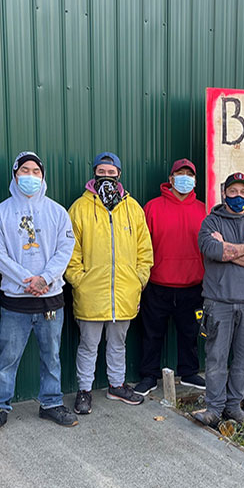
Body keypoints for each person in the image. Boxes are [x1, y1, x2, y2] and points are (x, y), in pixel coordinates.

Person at [0, 151, 78, 437]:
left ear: (43, 176)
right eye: (25, 170)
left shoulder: (57, 212)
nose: (31, 176)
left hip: (51, 299)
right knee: (7, 357)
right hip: (16, 301)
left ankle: (51, 403)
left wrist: (46, 279)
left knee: (52, 355)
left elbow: (65, 250)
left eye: (36, 171)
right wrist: (27, 280)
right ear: (15, 174)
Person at [67, 152, 153, 414]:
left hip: (125, 293)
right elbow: (70, 253)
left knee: (118, 343)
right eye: (101, 172)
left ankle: (116, 385)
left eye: (111, 172)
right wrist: (79, 281)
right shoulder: (79, 208)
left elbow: (144, 251)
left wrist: (138, 281)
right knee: (88, 345)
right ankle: (84, 390)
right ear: (94, 173)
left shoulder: (133, 208)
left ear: (119, 175)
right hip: (91, 293)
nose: (106, 177)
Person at [192, 172, 244, 426]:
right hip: (219, 302)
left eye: (242, 192)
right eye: (233, 191)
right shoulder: (211, 223)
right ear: (224, 193)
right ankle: (213, 409)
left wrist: (229, 248)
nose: (238, 196)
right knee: (216, 357)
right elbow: (212, 250)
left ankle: (233, 406)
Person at [134, 158, 207, 395]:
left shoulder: (204, 209)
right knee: (152, 334)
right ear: (171, 179)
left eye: (189, 174)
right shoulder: (152, 207)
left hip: (193, 285)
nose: (185, 177)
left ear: (195, 180)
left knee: (189, 333)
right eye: (180, 173)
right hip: (157, 285)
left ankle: (189, 372)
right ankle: (148, 376)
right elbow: (141, 246)